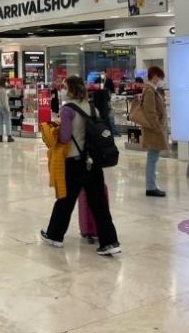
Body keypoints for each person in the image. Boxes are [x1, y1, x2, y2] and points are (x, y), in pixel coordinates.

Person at [41, 76, 121, 256]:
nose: (61, 90)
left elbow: (64, 137)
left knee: (65, 200)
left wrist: (55, 128)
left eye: (63, 87)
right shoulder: (93, 108)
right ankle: (110, 242)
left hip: (75, 162)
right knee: (99, 203)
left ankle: (54, 236)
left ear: (69, 89)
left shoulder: (67, 110)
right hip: (93, 162)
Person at [141, 66, 168, 197]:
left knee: (153, 158)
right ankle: (150, 187)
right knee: (152, 158)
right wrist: (158, 127)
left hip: (155, 129)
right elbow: (150, 112)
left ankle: (151, 185)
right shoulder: (149, 91)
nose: (161, 80)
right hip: (153, 131)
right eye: (161, 77)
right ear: (155, 76)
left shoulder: (151, 90)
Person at [0, 77, 14, 143]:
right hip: (3, 108)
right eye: (6, 82)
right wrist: (8, 110)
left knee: (0, 123)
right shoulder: (3, 90)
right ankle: (9, 137)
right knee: (8, 122)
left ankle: (0, 137)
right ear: (4, 82)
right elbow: (5, 102)